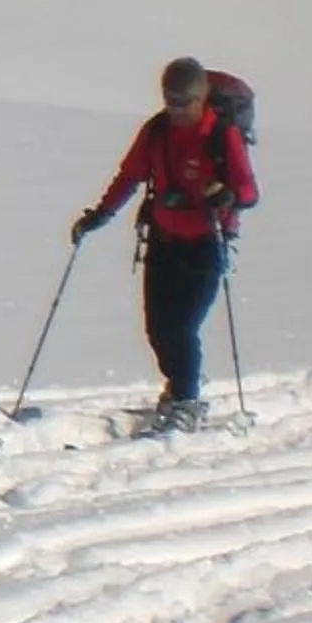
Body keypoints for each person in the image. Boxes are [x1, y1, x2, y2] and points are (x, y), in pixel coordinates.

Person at [72, 56, 257, 428]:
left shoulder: (222, 135)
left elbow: (249, 192)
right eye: (170, 102)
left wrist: (225, 197)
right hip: (163, 239)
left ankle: (187, 398)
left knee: (179, 328)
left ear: (202, 96)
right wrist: (101, 214)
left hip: (206, 242)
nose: (177, 111)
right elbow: (130, 175)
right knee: (157, 328)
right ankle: (181, 385)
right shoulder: (156, 131)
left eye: (184, 103)